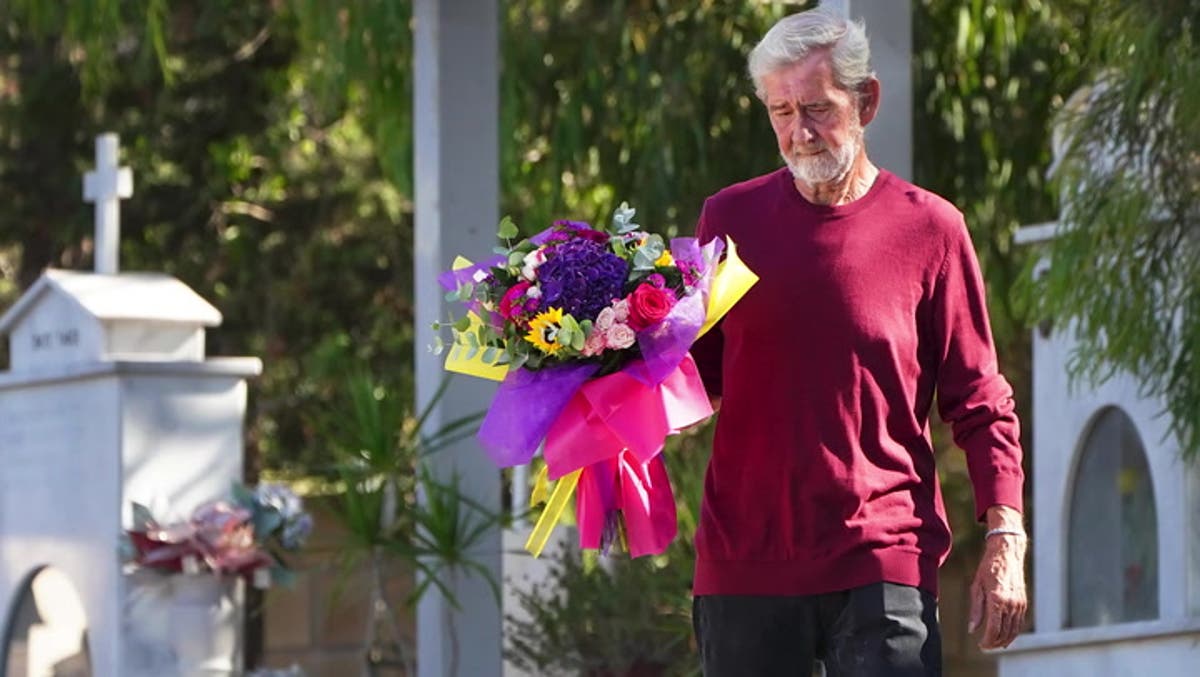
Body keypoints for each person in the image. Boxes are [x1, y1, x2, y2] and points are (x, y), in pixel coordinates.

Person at [689, 8, 1027, 676]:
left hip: (883, 560)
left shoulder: (932, 229)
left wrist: (1005, 535)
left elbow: (981, 399)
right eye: (781, 112)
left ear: (866, 100)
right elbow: (693, 377)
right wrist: (598, 377)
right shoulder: (727, 220)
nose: (799, 132)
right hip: (745, 565)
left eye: (817, 107)